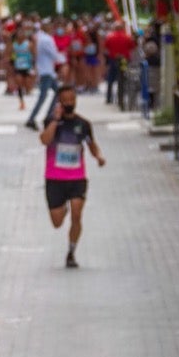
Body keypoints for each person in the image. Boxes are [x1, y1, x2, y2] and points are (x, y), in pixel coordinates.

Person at [39, 84, 106, 269]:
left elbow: (91, 144)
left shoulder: (83, 124)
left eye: (72, 99)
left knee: (77, 214)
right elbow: (44, 140)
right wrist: (55, 120)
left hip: (77, 177)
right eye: (65, 100)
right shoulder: (51, 121)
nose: (69, 103)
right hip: (54, 178)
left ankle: (71, 251)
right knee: (57, 222)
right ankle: (63, 209)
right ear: (59, 102)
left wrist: (98, 157)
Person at [25, 23, 64, 128]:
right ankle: (33, 118)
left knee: (58, 92)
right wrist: (63, 59)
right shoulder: (46, 39)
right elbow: (53, 54)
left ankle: (48, 115)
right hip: (46, 71)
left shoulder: (39, 38)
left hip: (46, 70)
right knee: (43, 96)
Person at [103, 21, 135, 105]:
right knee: (124, 78)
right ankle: (123, 96)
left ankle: (109, 98)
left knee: (110, 79)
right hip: (124, 60)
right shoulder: (127, 37)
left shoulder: (110, 37)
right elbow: (132, 46)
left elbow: (106, 46)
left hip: (113, 59)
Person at [9, 27, 34, 111]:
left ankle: (28, 92)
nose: (20, 35)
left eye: (21, 34)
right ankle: (21, 102)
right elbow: (10, 56)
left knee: (27, 85)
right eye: (18, 34)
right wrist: (11, 65)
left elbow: (34, 55)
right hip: (18, 67)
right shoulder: (14, 45)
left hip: (27, 67)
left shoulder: (29, 44)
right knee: (19, 83)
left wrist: (34, 67)